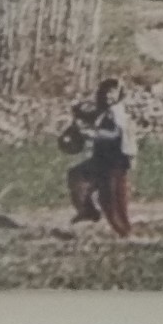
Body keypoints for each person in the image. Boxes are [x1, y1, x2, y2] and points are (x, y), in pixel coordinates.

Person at [64, 78, 138, 238]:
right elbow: (93, 116)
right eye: (105, 92)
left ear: (119, 95)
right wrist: (78, 112)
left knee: (111, 200)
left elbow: (114, 134)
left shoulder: (117, 113)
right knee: (76, 176)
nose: (107, 96)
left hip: (115, 163)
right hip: (101, 160)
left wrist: (92, 134)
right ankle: (88, 210)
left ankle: (124, 232)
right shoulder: (106, 110)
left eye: (112, 92)